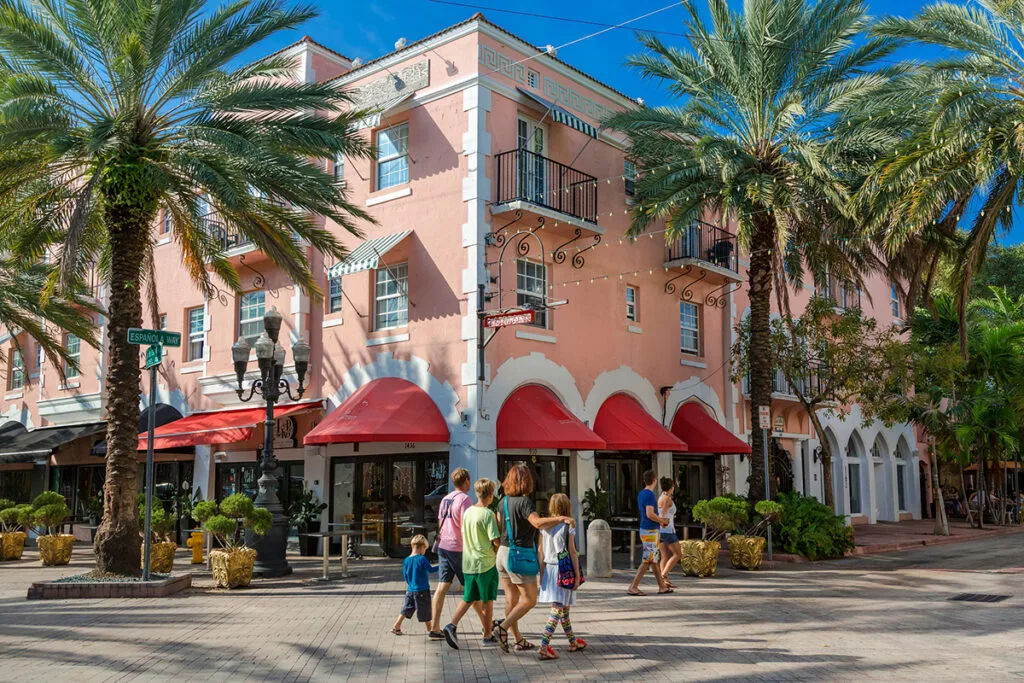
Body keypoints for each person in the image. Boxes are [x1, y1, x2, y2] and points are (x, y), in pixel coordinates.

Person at [493, 464, 576, 654]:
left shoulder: (502, 502)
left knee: (511, 600)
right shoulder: (525, 502)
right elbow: (537, 523)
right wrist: (561, 518)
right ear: (526, 482)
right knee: (529, 600)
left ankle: (518, 640)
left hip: (503, 553)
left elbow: (500, 525)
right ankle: (502, 627)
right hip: (519, 556)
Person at [428, 468, 488, 640]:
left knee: (442, 586)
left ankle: (434, 627)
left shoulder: (445, 499)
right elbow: (466, 525)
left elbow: (440, 521)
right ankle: (486, 626)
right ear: (467, 481)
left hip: (443, 546)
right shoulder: (465, 500)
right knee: (472, 589)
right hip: (459, 548)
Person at [442, 478, 501, 650]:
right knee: (487, 600)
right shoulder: (488, 514)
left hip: (468, 561)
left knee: (469, 597)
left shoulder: (468, 512)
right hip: (485, 563)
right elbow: (495, 540)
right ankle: (487, 635)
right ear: (491, 495)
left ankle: (452, 624)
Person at [536, 493, 586, 661]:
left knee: (564, 609)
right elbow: (572, 551)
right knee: (558, 608)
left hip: (549, 569)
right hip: (563, 570)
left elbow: (540, 551)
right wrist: (578, 576)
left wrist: (541, 573)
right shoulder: (568, 526)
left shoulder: (544, 527)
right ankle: (544, 646)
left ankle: (572, 642)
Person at [627, 469, 672, 596]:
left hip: (645, 528)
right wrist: (661, 520)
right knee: (648, 559)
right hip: (650, 530)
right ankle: (633, 586)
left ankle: (662, 586)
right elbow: (650, 513)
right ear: (654, 480)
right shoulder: (650, 495)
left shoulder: (641, 494)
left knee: (653, 559)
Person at [392, 535, 437, 635]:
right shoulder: (422, 559)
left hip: (410, 590)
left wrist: (410, 584)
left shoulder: (407, 560)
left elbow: (405, 575)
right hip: (422, 590)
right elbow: (431, 569)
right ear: (421, 548)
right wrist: (442, 566)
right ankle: (431, 630)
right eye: (425, 549)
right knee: (425, 609)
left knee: (407, 608)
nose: (425, 551)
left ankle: (397, 625)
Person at [657, 477, 682, 588]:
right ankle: (664, 574)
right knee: (678, 554)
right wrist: (664, 521)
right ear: (671, 487)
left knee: (664, 556)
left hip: (661, 531)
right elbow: (663, 514)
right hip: (668, 531)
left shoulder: (661, 497)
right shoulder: (667, 498)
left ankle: (664, 581)